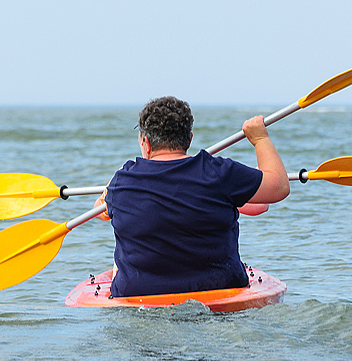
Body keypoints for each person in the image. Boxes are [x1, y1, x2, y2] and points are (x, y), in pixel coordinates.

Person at [95, 96, 290, 297]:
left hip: (138, 294)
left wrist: (112, 189)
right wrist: (260, 139)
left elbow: (100, 212)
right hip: (220, 291)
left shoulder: (121, 181)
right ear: (189, 138)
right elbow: (280, 186)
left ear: (146, 143)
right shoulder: (219, 172)